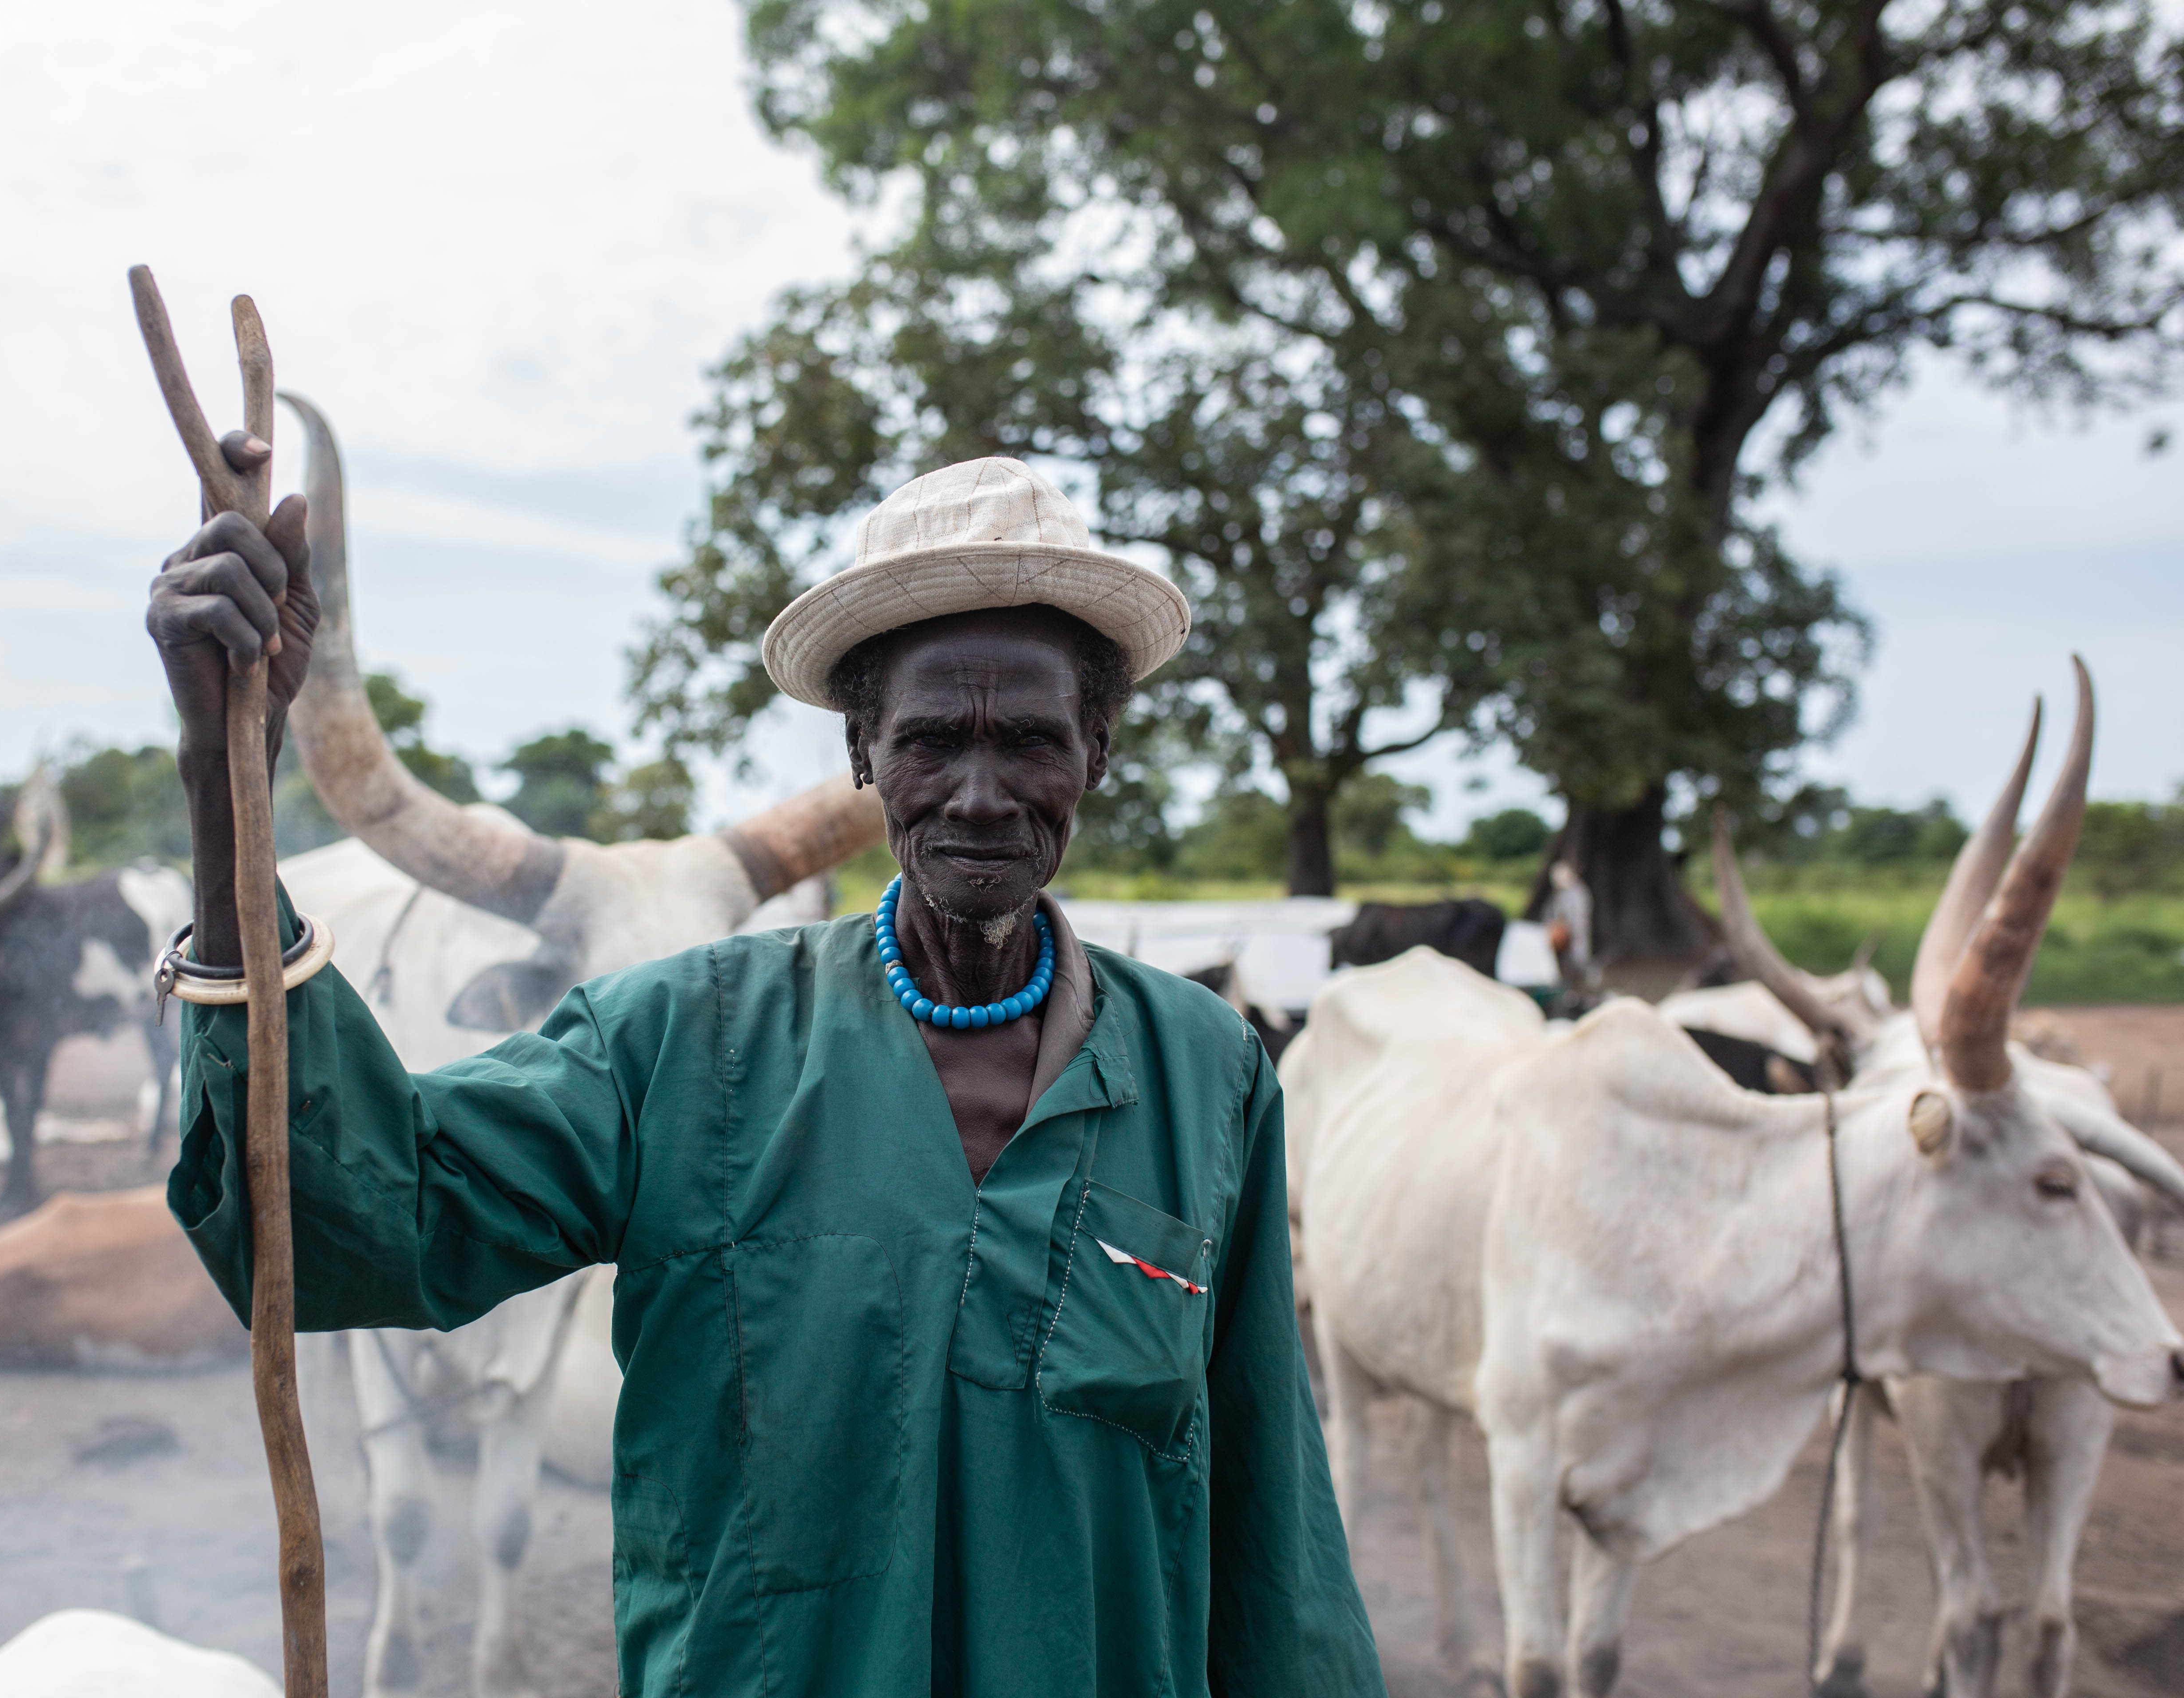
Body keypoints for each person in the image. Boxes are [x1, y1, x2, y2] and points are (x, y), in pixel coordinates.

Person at [146, 446, 1384, 1697]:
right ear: (861, 751)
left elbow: (1273, 1537)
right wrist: (224, 775)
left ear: (1098, 750)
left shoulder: (1207, 1071)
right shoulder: (678, 1045)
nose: (980, 793)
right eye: (932, 740)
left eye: (1030, 740)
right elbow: (343, 1219)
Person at [1543, 858, 1598, 999]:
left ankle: (1581, 991)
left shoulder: (1578, 893)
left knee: (1579, 961)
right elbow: (1551, 914)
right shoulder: (1558, 895)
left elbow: (1579, 918)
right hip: (1562, 939)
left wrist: (1568, 929)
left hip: (1576, 936)